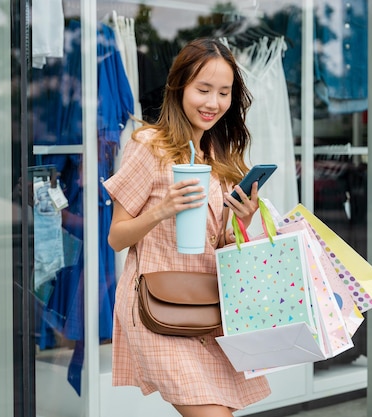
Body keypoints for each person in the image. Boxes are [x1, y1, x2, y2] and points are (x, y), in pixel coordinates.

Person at [103, 38, 272, 417]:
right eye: (203, 89)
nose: (213, 103)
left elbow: (222, 244)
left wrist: (242, 222)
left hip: (210, 310)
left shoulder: (221, 156)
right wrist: (162, 211)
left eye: (224, 92)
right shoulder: (150, 146)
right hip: (160, 310)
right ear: (179, 87)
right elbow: (116, 237)